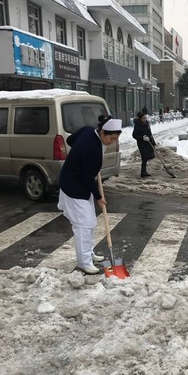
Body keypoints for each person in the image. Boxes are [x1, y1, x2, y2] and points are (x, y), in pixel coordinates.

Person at [58, 115, 122, 275]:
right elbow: (88, 177)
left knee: (91, 222)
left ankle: (89, 253)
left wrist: (78, 157)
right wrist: (99, 197)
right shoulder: (91, 148)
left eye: (116, 139)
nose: (112, 142)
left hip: (80, 183)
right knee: (83, 225)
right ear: (103, 132)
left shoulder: (88, 131)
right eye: (111, 138)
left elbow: (71, 140)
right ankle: (84, 262)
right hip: (74, 186)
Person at [132, 111, 156, 178]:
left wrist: (153, 142)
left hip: (148, 142)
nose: (145, 119)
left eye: (145, 118)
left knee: (150, 155)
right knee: (144, 157)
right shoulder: (137, 125)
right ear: (140, 119)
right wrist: (142, 138)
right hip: (142, 144)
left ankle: (144, 170)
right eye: (143, 118)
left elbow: (150, 133)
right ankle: (143, 172)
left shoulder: (147, 123)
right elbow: (134, 135)